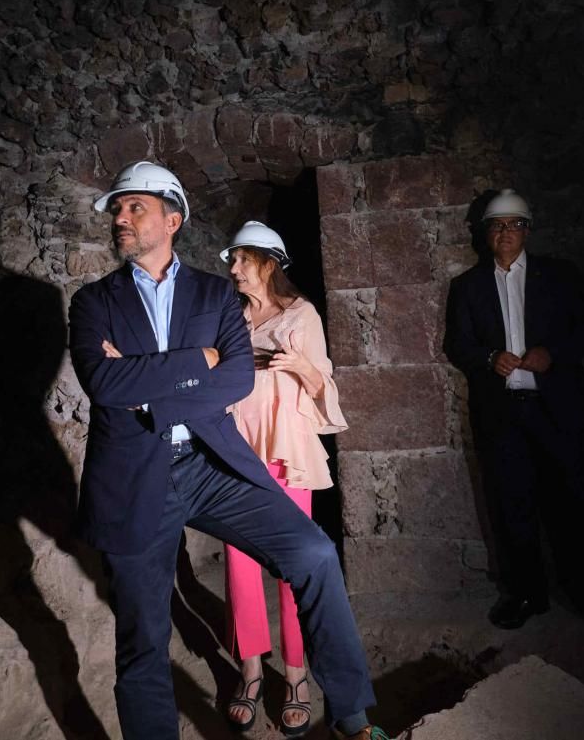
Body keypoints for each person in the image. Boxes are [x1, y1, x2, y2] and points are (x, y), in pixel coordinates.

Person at [67, 161, 386, 740]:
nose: (120, 217)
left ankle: (353, 718)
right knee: (143, 639)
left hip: (211, 465)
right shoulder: (93, 303)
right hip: (135, 477)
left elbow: (237, 377)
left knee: (313, 555)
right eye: (116, 208)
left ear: (173, 218)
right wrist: (198, 362)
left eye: (133, 207)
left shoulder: (215, 295)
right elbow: (103, 385)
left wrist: (152, 393)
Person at [442, 189, 584, 669]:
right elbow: (458, 344)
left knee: (576, 503)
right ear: (485, 234)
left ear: (527, 230)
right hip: (503, 414)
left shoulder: (560, 275)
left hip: (558, 410)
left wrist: (553, 353)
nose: (504, 233)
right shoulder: (468, 287)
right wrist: (490, 358)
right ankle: (527, 593)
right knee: (512, 506)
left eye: (513, 225)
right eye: (496, 226)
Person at [218, 221, 348, 736]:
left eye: (240, 260)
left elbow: (324, 385)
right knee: (238, 562)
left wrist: (299, 366)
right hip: (237, 453)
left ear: (268, 264)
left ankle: (296, 676)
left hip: (284, 453)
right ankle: (251, 670)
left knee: (294, 564)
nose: (232, 269)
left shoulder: (302, 315)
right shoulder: (230, 316)